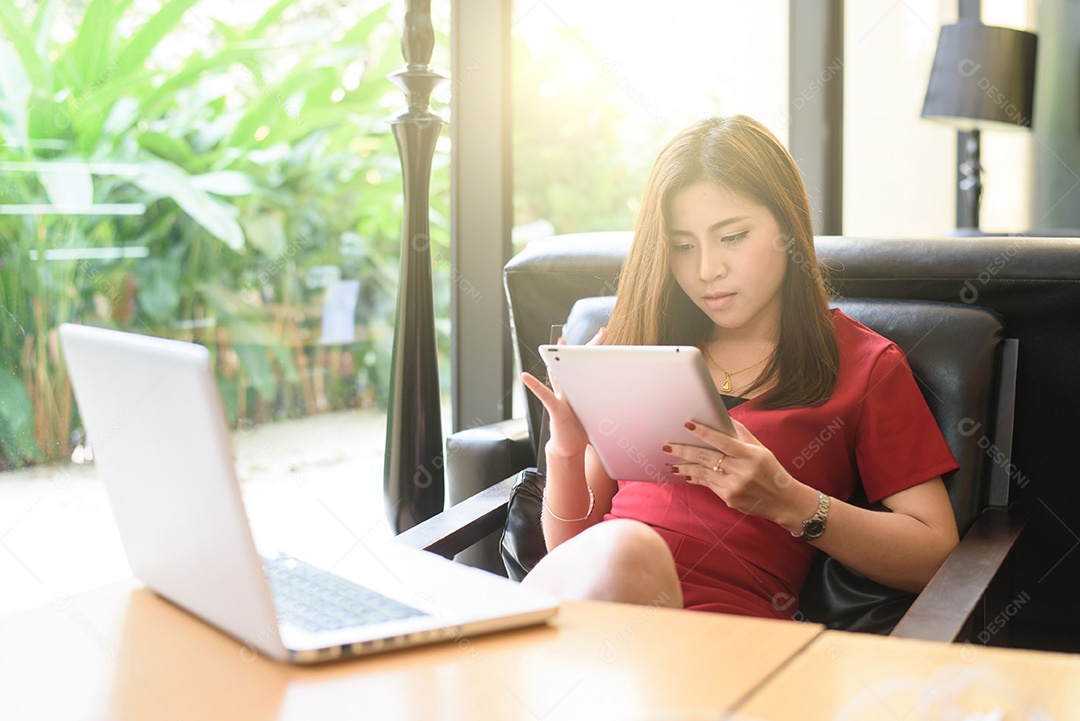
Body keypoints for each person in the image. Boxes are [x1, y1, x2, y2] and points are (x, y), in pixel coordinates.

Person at [519, 115, 960, 619]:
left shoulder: (865, 367)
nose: (707, 270)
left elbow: (936, 555)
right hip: (599, 615)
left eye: (732, 237)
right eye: (683, 246)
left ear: (787, 227)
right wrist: (568, 448)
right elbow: (569, 549)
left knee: (627, 551)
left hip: (726, 636)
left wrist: (791, 502)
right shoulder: (644, 347)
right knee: (623, 552)